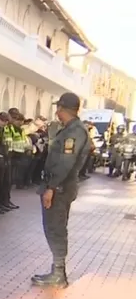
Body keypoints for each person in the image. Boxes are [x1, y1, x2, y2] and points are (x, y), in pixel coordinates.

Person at [31, 93, 90, 288]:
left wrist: (52, 187)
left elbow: (66, 162)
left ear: (63, 109)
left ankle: (58, 274)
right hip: (60, 185)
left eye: (58, 108)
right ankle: (57, 271)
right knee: (53, 227)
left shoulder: (75, 131)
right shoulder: (70, 129)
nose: (56, 111)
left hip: (60, 187)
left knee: (55, 228)